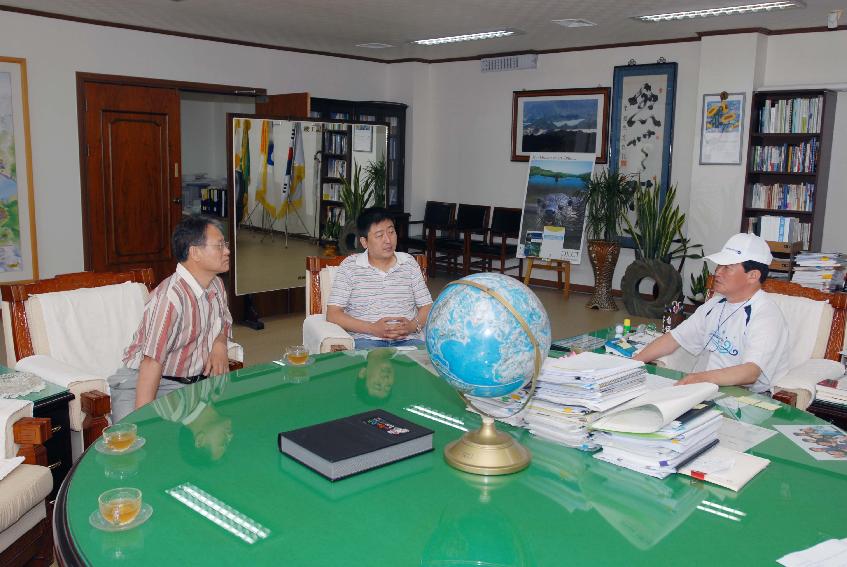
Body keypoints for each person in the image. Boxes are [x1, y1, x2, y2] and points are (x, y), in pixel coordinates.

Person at [108, 215, 234, 422]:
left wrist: (219, 343)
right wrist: (144, 422)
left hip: (192, 384)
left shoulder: (216, 285)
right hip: (145, 382)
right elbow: (151, 362)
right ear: (195, 252)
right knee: (135, 442)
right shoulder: (170, 298)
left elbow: (224, 321)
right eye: (220, 245)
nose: (227, 251)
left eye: (225, 244)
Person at [633, 233, 790, 393]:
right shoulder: (716, 303)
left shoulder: (766, 315)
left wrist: (699, 378)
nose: (717, 272)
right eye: (719, 266)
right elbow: (674, 338)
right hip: (709, 387)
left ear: (752, 276)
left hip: (747, 397)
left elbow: (750, 372)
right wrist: (631, 365)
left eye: (727, 267)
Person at [326, 207, 433, 350]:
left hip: (408, 340)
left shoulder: (409, 263)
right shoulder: (350, 267)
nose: (388, 240)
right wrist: (372, 328)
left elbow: (427, 306)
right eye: (379, 235)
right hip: (367, 341)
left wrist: (412, 326)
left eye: (391, 232)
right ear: (364, 242)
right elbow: (333, 314)